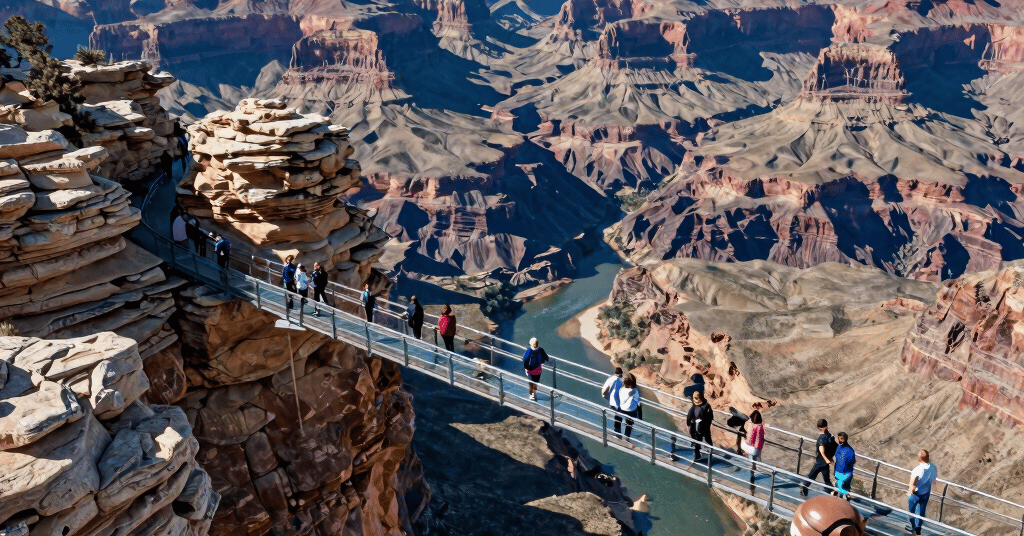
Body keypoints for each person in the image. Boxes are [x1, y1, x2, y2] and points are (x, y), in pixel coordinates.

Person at [801, 419, 836, 497]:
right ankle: (832, 493)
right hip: (823, 463)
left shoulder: (822, 437)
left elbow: (822, 451)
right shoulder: (828, 436)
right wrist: (829, 460)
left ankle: (804, 489)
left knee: (811, 477)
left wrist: (828, 460)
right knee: (824, 479)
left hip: (820, 463)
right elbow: (825, 450)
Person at [906, 449, 937, 535]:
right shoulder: (933, 467)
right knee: (921, 511)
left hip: (916, 493)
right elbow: (933, 481)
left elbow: (913, 484)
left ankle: (912, 527)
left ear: (920, 458)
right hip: (926, 492)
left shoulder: (917, 470)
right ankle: (918, 528)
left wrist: (910, 492)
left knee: (911, 511)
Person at [686, 390, 714, 461]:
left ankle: (708, 454)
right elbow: (689, 417)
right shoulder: (695, 407)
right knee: (698, 441)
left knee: (706, 440)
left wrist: (702, 421)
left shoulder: (706, 406)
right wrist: (691, 422)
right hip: (698, 427)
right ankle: (698, 455)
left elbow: (710, 416)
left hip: (703, 427)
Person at [613, 373, 641, 439]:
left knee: (617, 417)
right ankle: (627, 437)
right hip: (631, 411)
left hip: (622, 409)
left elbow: (620, 399)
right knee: (629, 424)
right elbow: (638, 402)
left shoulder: (621, 389)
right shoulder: (635, 391)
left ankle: (617, 433)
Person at [522, 337, 549, 401]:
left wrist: (526, 368)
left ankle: (533, 393)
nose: (535, 344)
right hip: (534, 370)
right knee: (533, 384)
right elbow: (546, 357)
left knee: (533, 384)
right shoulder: (536, 350)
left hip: (534, 370)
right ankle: (532, 393)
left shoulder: (533, 351)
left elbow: (525, 360)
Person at [834, 432, 856, 499]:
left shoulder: (849, 451)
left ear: (845, 439)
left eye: (841, 439)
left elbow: (850, 462)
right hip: (840, 473)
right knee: (844, 491)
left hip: (844, 474)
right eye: (838, 438)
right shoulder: (839, 447)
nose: (839, 440)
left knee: (840, 492)